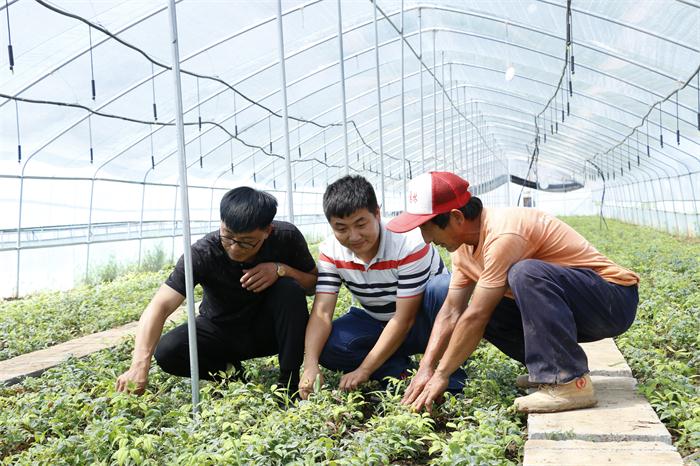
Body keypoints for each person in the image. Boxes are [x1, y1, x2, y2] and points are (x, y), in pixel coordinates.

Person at [389, 171, 639, 413]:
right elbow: (451, 312)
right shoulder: (463, 248)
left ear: (456, 217)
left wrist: (442, 374)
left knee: (524, 274)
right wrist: (426, 368)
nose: (426, 239)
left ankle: (570, 383)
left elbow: (476, 316)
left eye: (427, 227)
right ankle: (548, 372)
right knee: (490, 304)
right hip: (577, 309)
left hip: (612, 302)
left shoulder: (503, 232)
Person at [115, 187, 317, 395]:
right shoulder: (203, 253)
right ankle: (234, 376)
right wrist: (139, 365)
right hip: (222, 330)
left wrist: (280, 270)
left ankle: (289, 384)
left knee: (288, 287)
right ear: (221, 223)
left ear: (268, 231)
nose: (235, 248)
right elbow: (160, 305)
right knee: (169, 350)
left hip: (272, 332)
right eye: (228, 237)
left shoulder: (287, 237)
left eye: (247, 242)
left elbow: (312, 284)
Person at [299, 175, 464, 400]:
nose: (353, 236)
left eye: (361, 224)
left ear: (377, 213)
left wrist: (364, 370)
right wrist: (310, 364)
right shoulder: (330, 251)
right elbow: (322, 313)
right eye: (341, 228)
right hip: (378, 321)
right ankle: (399, 374)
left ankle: (449, 380)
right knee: (330, 344)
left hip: (425, 320)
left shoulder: (408, 242)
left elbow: (404, 319)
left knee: (444, 289)